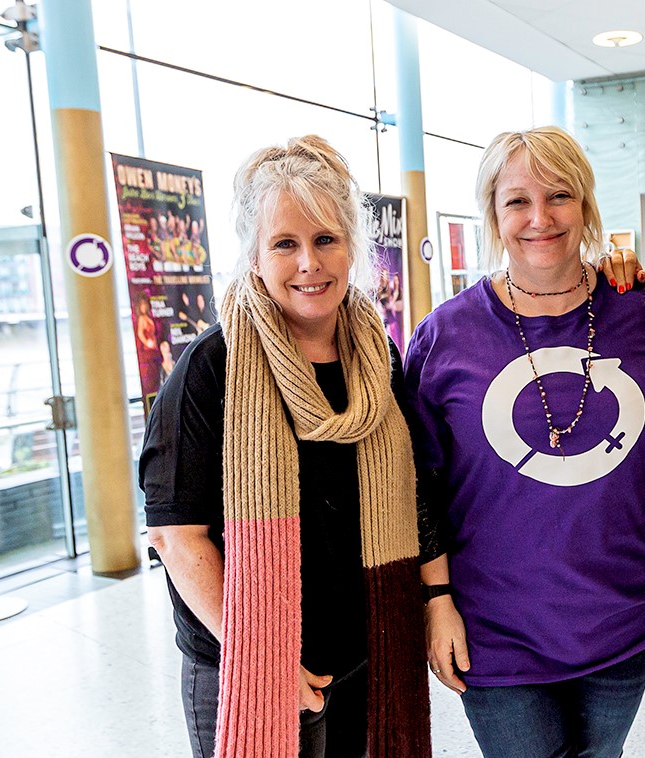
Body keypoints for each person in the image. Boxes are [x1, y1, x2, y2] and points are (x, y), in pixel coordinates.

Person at [139, 136, 434, 758]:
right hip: (245, 659)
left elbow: (416, 490)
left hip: (367, 651)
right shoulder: (211, 368)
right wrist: (262, 655)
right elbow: (176, 536)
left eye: (325, 239)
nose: (309, 263)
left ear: (352, 247)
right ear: (253, 255)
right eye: (285, 244)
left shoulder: (377, 358)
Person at [404, 126, 645, 757]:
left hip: (623, 613)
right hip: (495, 627)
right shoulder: (446, 338)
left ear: (585, 204)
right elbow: (420, 486)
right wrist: (436, 599)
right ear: (492, 216)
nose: (540, 218)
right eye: (517, 202)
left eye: (559, 196)